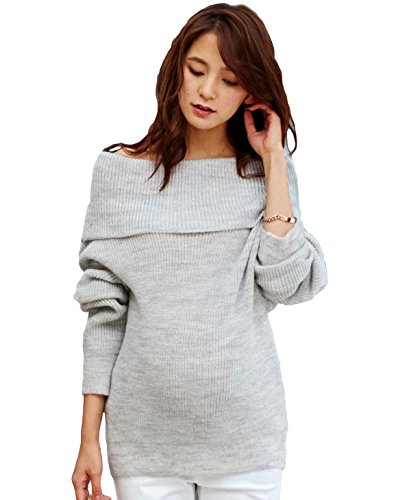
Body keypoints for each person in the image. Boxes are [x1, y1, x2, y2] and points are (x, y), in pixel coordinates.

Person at [71, 3, 328, 500]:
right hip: (145, 443)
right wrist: (87, 440)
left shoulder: (265, 174)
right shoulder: (119, 174)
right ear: (176, 70)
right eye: (197, 70)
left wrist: (274, 161)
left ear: (252, 92)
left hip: (246, 441)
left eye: (230, 80)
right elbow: (104, 318)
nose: (208, 90)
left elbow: (289, 284)